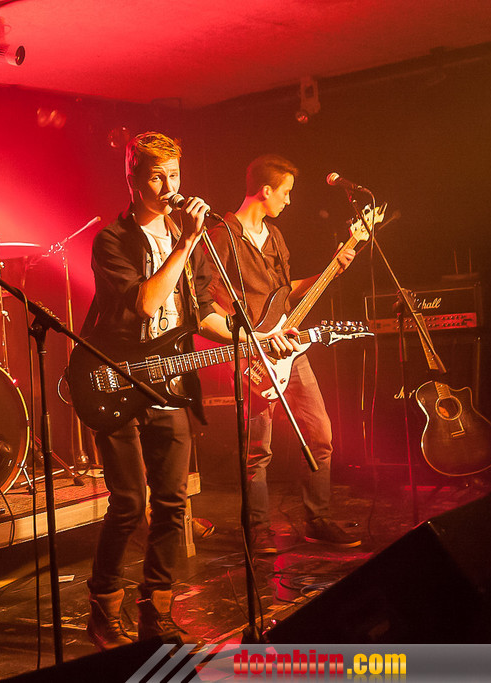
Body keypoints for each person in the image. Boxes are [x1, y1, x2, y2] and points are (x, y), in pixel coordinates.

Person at [82, 132, 297, 649]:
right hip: (117, 381)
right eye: (157, 176)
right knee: (129, 502)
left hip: (170, 384)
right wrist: (183, 245)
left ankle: (155, 610)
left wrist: (256, 339)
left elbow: (200, 313)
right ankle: (103, 607)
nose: (169, 186)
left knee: (173, 503)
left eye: (175, 175)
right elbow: (143, 304)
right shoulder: (112, 240)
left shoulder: (188, 235)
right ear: (132, 177)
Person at [205, 154, 360, 555]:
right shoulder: (220, 236)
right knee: (257, 450)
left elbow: (285, 294)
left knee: (320, 434)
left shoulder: (274, 237)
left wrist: (331, 269)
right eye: (286, 192)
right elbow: (205, 301)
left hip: (290, 349)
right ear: (266, 190)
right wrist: (248, 341)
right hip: (252, 356)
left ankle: (317, 519)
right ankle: (257, 529)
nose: (289, 201)